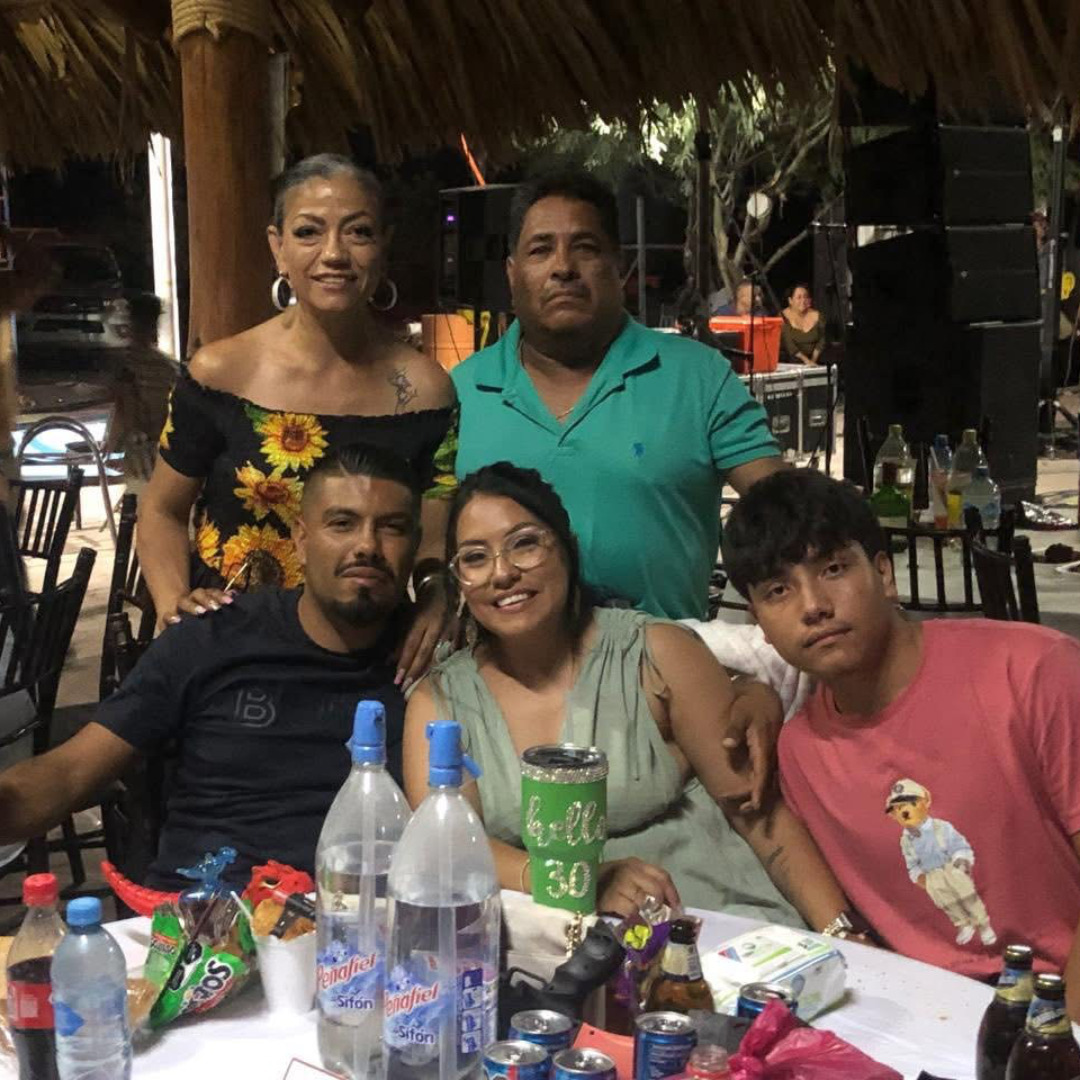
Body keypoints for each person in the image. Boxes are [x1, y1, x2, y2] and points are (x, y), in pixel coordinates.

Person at [404, 462, 852, 926]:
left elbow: (762, 819)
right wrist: (577, 880)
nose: (502, 573)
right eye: (475, 558)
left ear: (566, 548)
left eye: (525, 544)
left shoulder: (655, 653)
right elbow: (446, 845)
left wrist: (840, 933)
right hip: (544, 949)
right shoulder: (441, 701)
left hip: (712, 927)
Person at [721, 468, 1080, 1011]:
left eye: (833, 569)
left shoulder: (1033, 671)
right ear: (760, 624)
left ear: (884, 574)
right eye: (778, 591)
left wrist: (1057, 1036)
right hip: (924, 1016)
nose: (813, 605)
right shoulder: (800, 754)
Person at [0, 443, 424, 888]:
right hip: (202, 913)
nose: (367, 545)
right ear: (301, 539)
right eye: (342, 523)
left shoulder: (434, 662)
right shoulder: (214, 638)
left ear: (415, 545)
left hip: (370, 917)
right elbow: (71, 772)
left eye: (392, 528)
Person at [138, 154, 457, 685]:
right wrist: (175, 611)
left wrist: (433, 597)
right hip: (231, 646)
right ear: (277, 247)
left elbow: (431, 536)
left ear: (383, 246)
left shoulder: (424, 390)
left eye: (358, 232)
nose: (334, 254)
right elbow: (162, 510)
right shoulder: (221, 374)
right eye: (309, 231)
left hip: (370, 648)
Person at [452, 169, 784, 620]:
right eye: (540, 249)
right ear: (512, 273)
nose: (563, 267)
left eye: (585, 247)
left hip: (665, 660)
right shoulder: (462, 390)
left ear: (617, 265)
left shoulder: (697, 376)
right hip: (500, 663)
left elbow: (785, 514)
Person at [104, 292, 179, 490]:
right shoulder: (170, 367)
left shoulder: (126, 365)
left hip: (141, 448)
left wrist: (111, 446)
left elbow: (124, 409)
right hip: (165, 446)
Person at [780, 283, 825, 366]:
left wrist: (813, 361)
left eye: (806, 297)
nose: (803, 301)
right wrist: (807, 362)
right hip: (791, 363)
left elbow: (822, 340)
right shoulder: (782, 317)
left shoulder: (818, 316)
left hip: (816, 362)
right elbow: (789, 344)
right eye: (799, 297)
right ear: (790, 300)